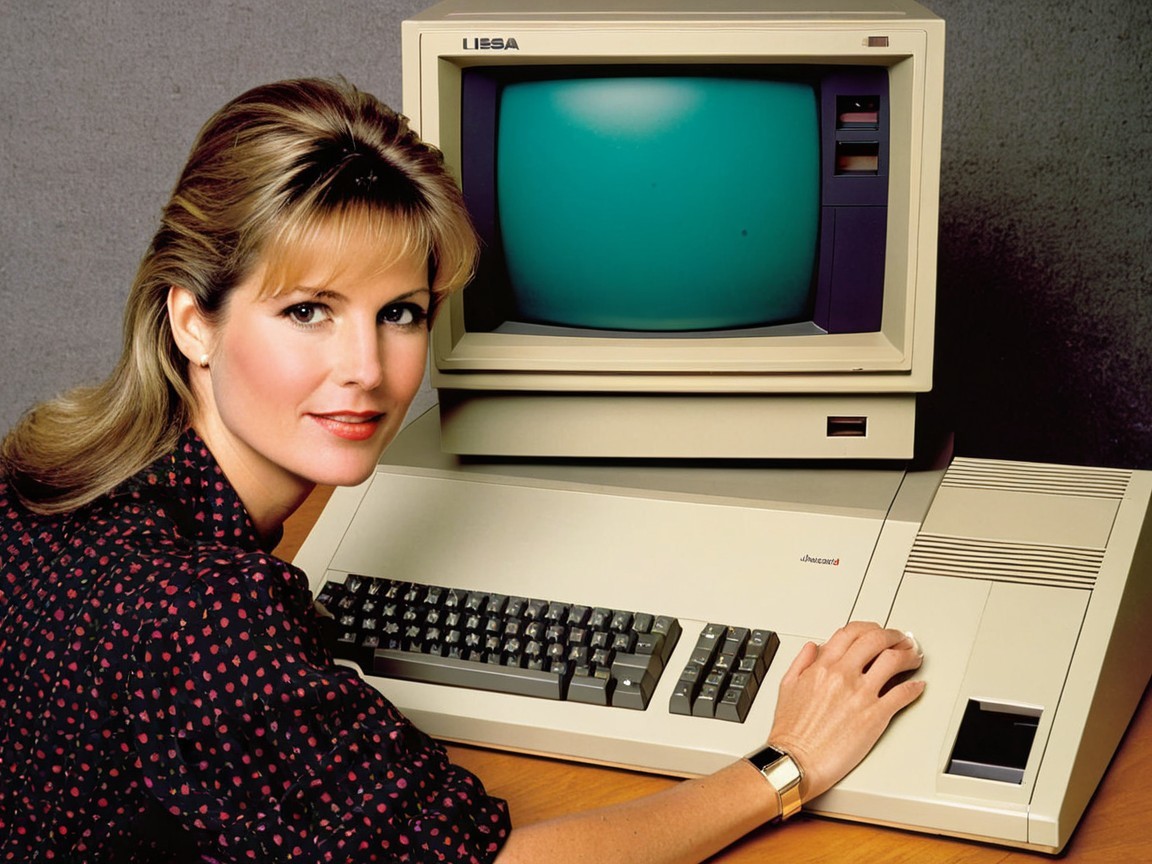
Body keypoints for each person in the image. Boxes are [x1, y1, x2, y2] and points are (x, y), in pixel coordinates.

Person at [0, 77, 925, 863]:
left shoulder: (38, 488)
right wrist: (786, 763)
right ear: (193, 318)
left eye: (400, 312)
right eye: (310, 311)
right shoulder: (199, 614)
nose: (366, 368)